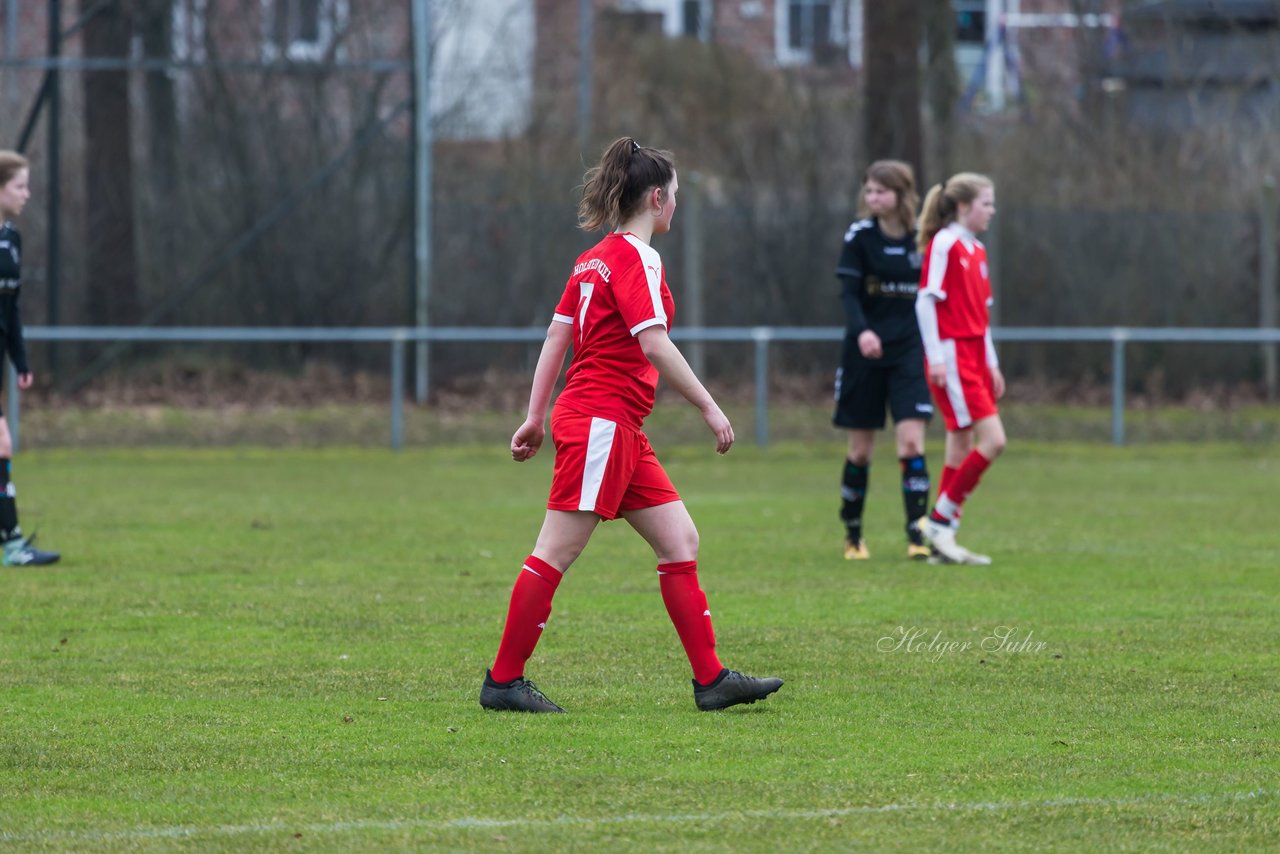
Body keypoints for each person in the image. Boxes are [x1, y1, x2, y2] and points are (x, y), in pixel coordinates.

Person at [479, 137, 783, 713]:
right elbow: (654, 342)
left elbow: (555, 338)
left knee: (679, 539)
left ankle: (711, 680)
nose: (676, 206)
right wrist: (709, 405)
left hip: (615, 425)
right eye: (675, 197)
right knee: (554, 551)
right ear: (657, 198)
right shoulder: (639, 259)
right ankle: (503, 681)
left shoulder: (592, 258)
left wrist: (536, 415)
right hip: (601, 419)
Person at [832, 160, 933, 562]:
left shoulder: (923, 239)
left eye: (880, 191)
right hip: (864, 354)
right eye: (868, 191)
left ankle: (918, 535)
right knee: (860, 452)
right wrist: (864, 331)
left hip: (909, 352)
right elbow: (848, 295)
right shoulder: (859, 237)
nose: (873, 198)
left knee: (910, 442)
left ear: (901, 194)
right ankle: (854, 535)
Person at [912, 172, 1006, 566]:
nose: (992, 211)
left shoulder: (977, 250)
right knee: (994, 441)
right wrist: (935, 356)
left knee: (962, 442)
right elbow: (925, 301)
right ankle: (939, 518)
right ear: (964, 206)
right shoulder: (945, 244)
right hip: (952, 356)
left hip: (973, 356)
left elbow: (980, 317)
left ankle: (944, 539)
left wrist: (992, 363)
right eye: (986, 203)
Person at [0, 151, 60, 567]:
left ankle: (12, 544)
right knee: (1, 445)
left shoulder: (11, 239)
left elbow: (12, 308)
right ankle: (13, 545)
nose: (27, 193)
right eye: (20, 185)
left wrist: (21, 361)